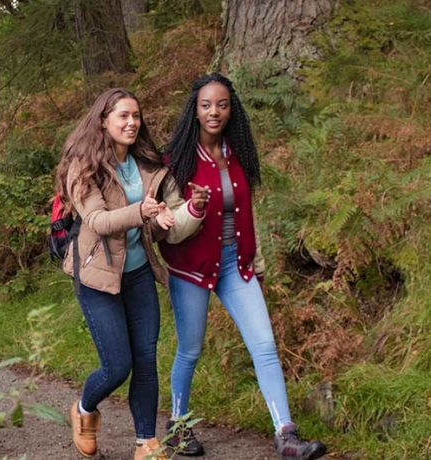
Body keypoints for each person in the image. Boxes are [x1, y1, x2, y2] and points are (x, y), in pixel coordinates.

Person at [158, 73, 327, 460]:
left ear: (231, 109)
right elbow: (168, 230)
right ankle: (178, 427)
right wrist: (193, 207)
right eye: (206, 105)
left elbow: (248, 214)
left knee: (265, 346)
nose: (214, 112)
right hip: (192, 268)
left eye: (221, 104)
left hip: (237, 264)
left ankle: (286, 435)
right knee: (190, 350)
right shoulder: (177, 162)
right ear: (195, 111)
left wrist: (258, 262)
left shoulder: (239, 155)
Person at [55, 88, 192, 460]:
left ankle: (145, 442)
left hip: (138, 273)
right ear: (103, 121)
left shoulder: (145, 163)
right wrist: (143, 212)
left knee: (146, 359)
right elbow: (98, 220)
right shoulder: (83, 166)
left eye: (136, 116)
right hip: (96, 276)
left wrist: (162, 218)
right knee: (118, 365)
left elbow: (153, 219)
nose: (132, 123)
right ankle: (84, 409)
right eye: (123, 116)